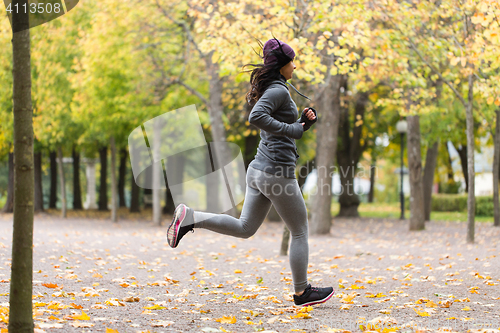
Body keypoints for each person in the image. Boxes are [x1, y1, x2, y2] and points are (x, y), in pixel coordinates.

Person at [166, 37, 334, 307]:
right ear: (282, 64)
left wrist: (302, 123)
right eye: (292, 61)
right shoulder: (278, 91)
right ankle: (303, 292)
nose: (295, 66)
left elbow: (276, 124)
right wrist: (294, 129)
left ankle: (191, 217)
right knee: (300, 230)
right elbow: (256, 117)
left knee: (245, 228)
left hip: (259, 169)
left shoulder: (277, 88)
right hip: (276, 173)